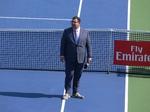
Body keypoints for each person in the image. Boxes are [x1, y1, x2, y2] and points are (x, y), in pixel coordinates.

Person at [60, 16, 92, 100]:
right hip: (69, 58)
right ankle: (67, 92)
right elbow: (63, 44)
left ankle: (75, 92)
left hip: (81, 58)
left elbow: (89, 45)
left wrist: (89, 56)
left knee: (78, 76)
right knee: (69, 75)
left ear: (79, 23)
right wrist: (62, 55)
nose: (73, 23)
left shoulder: (85, 32)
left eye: (74, 22)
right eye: (72, 22)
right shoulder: (67, 32)